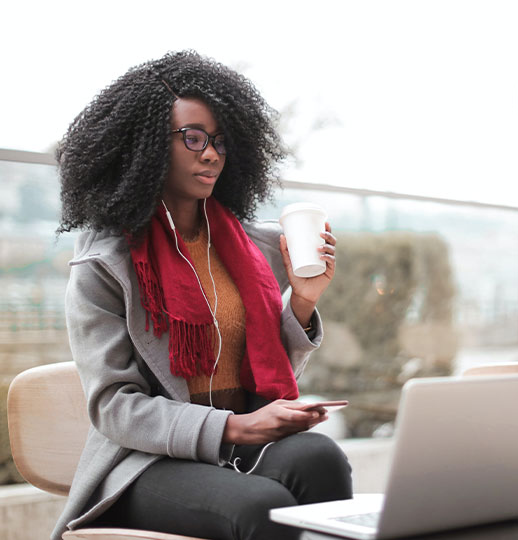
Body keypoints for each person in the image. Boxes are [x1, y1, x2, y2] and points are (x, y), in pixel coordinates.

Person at [52, 50, 352, 540]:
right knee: (263, 505)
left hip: (239, 437)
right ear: (145, 145)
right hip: (146, 462)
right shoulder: (104, 264)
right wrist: (233, 429)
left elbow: (266, 369)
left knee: (322, 457)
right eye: (193, 138)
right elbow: (114, 407)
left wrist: (302, 300)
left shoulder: (254, 247)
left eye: (219, 141)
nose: (210, 154)